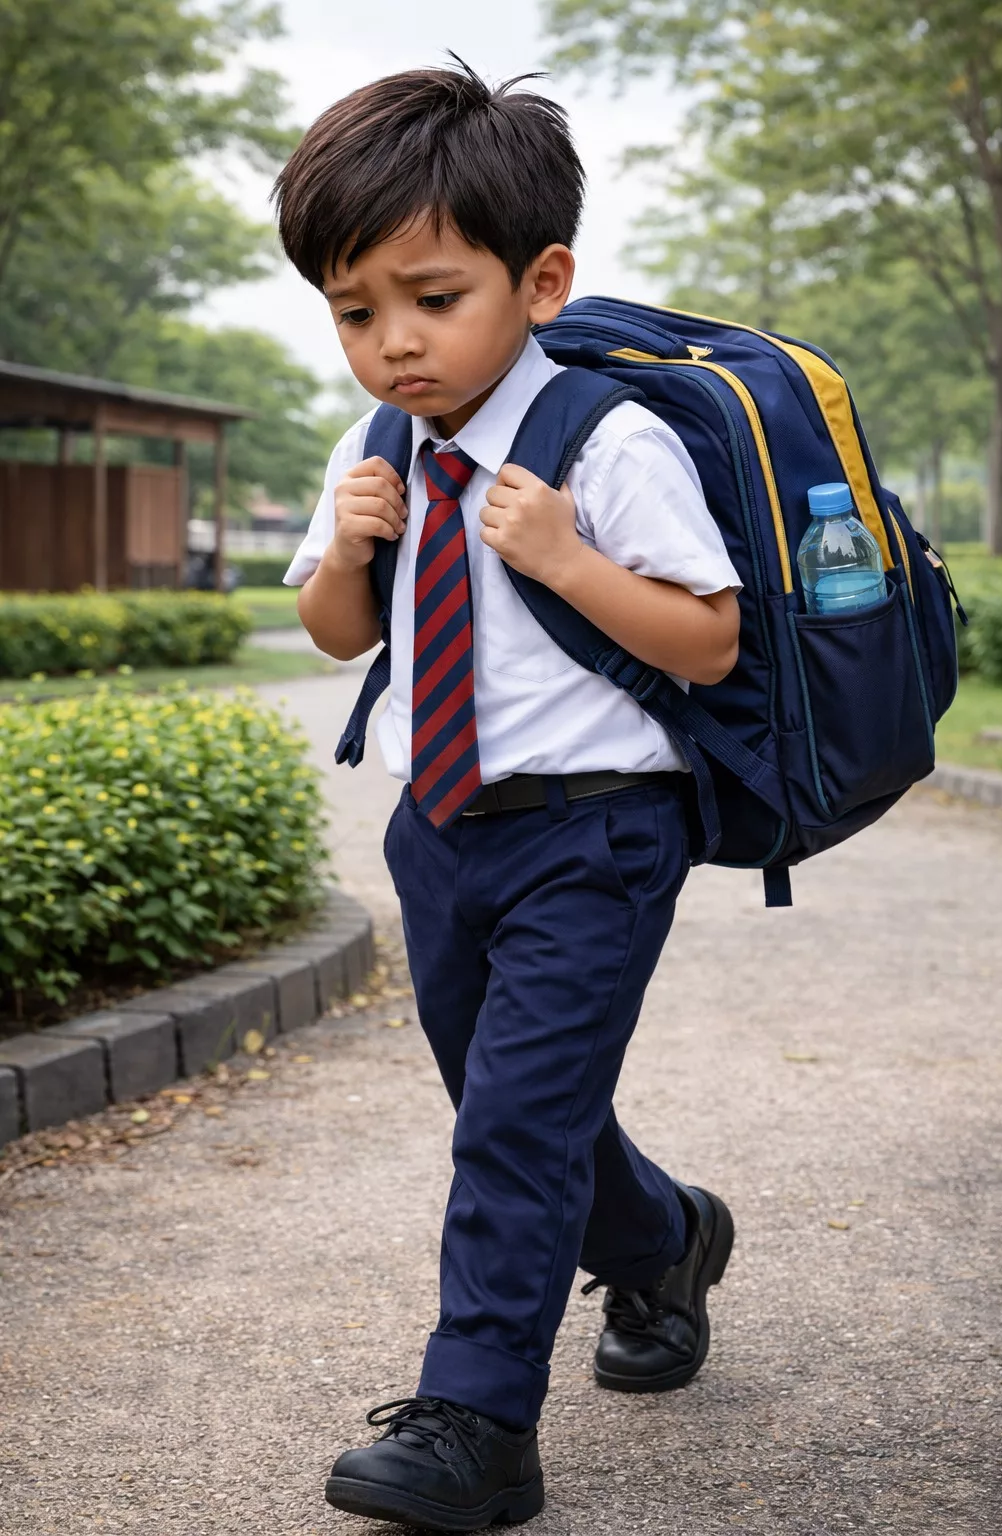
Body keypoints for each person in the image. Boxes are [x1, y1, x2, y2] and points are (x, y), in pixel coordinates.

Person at [276, 57, 741, 1532]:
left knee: (512, 1129)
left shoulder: (607, 442)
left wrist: (568, 561)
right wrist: (352, 550)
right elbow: (339, 634)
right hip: (443, 832)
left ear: (541, 281)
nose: (394, 344)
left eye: (431, 296)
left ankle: (479, 1420)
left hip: (596, 832)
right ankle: (665, 1240)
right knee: (512, 1102)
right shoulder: (375, 450)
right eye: (356, 313)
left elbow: (711, 639)